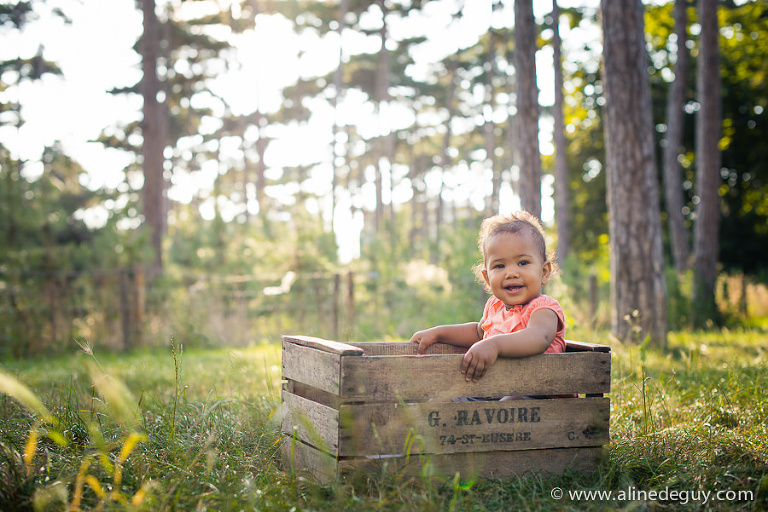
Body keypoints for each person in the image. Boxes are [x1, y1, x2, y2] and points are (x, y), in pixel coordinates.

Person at [410, 210, 572, 399]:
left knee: (513, 401)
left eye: (523, 262)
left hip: (541, 395)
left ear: (544, 272)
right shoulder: (494, 307)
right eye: (499, 266)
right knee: (448, 397)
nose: (511, 273)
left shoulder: (544, 309)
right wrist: (439, 333)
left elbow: (539, 338)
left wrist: (494, 345)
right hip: (496, 390)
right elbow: (478, 333)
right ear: (487, 278)